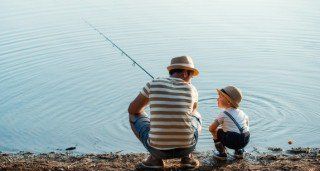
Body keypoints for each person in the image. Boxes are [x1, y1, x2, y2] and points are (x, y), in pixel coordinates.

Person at [128, 56, 202, 169]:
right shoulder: (192, 89)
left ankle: (154, 159)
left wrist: (153, 106)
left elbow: (132, 110)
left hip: (158, 150)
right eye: (192, 75)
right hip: (187, 147)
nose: (191, 78)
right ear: (186, 73)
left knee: (133, 115)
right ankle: (187, 157)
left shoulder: (153, 83)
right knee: (196, 115)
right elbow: (191, 112)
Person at [209, 86, 250, 160]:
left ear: (228, 102)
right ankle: (239, 151)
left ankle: (222, 153)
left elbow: (211, 128)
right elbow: (247, 122)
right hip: (246, 139)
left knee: (216, 131)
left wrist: (219, 130)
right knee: (238, 130)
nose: (217, 99)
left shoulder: (224, 114)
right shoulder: (242, 112)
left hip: (232, 140)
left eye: (220, 97)